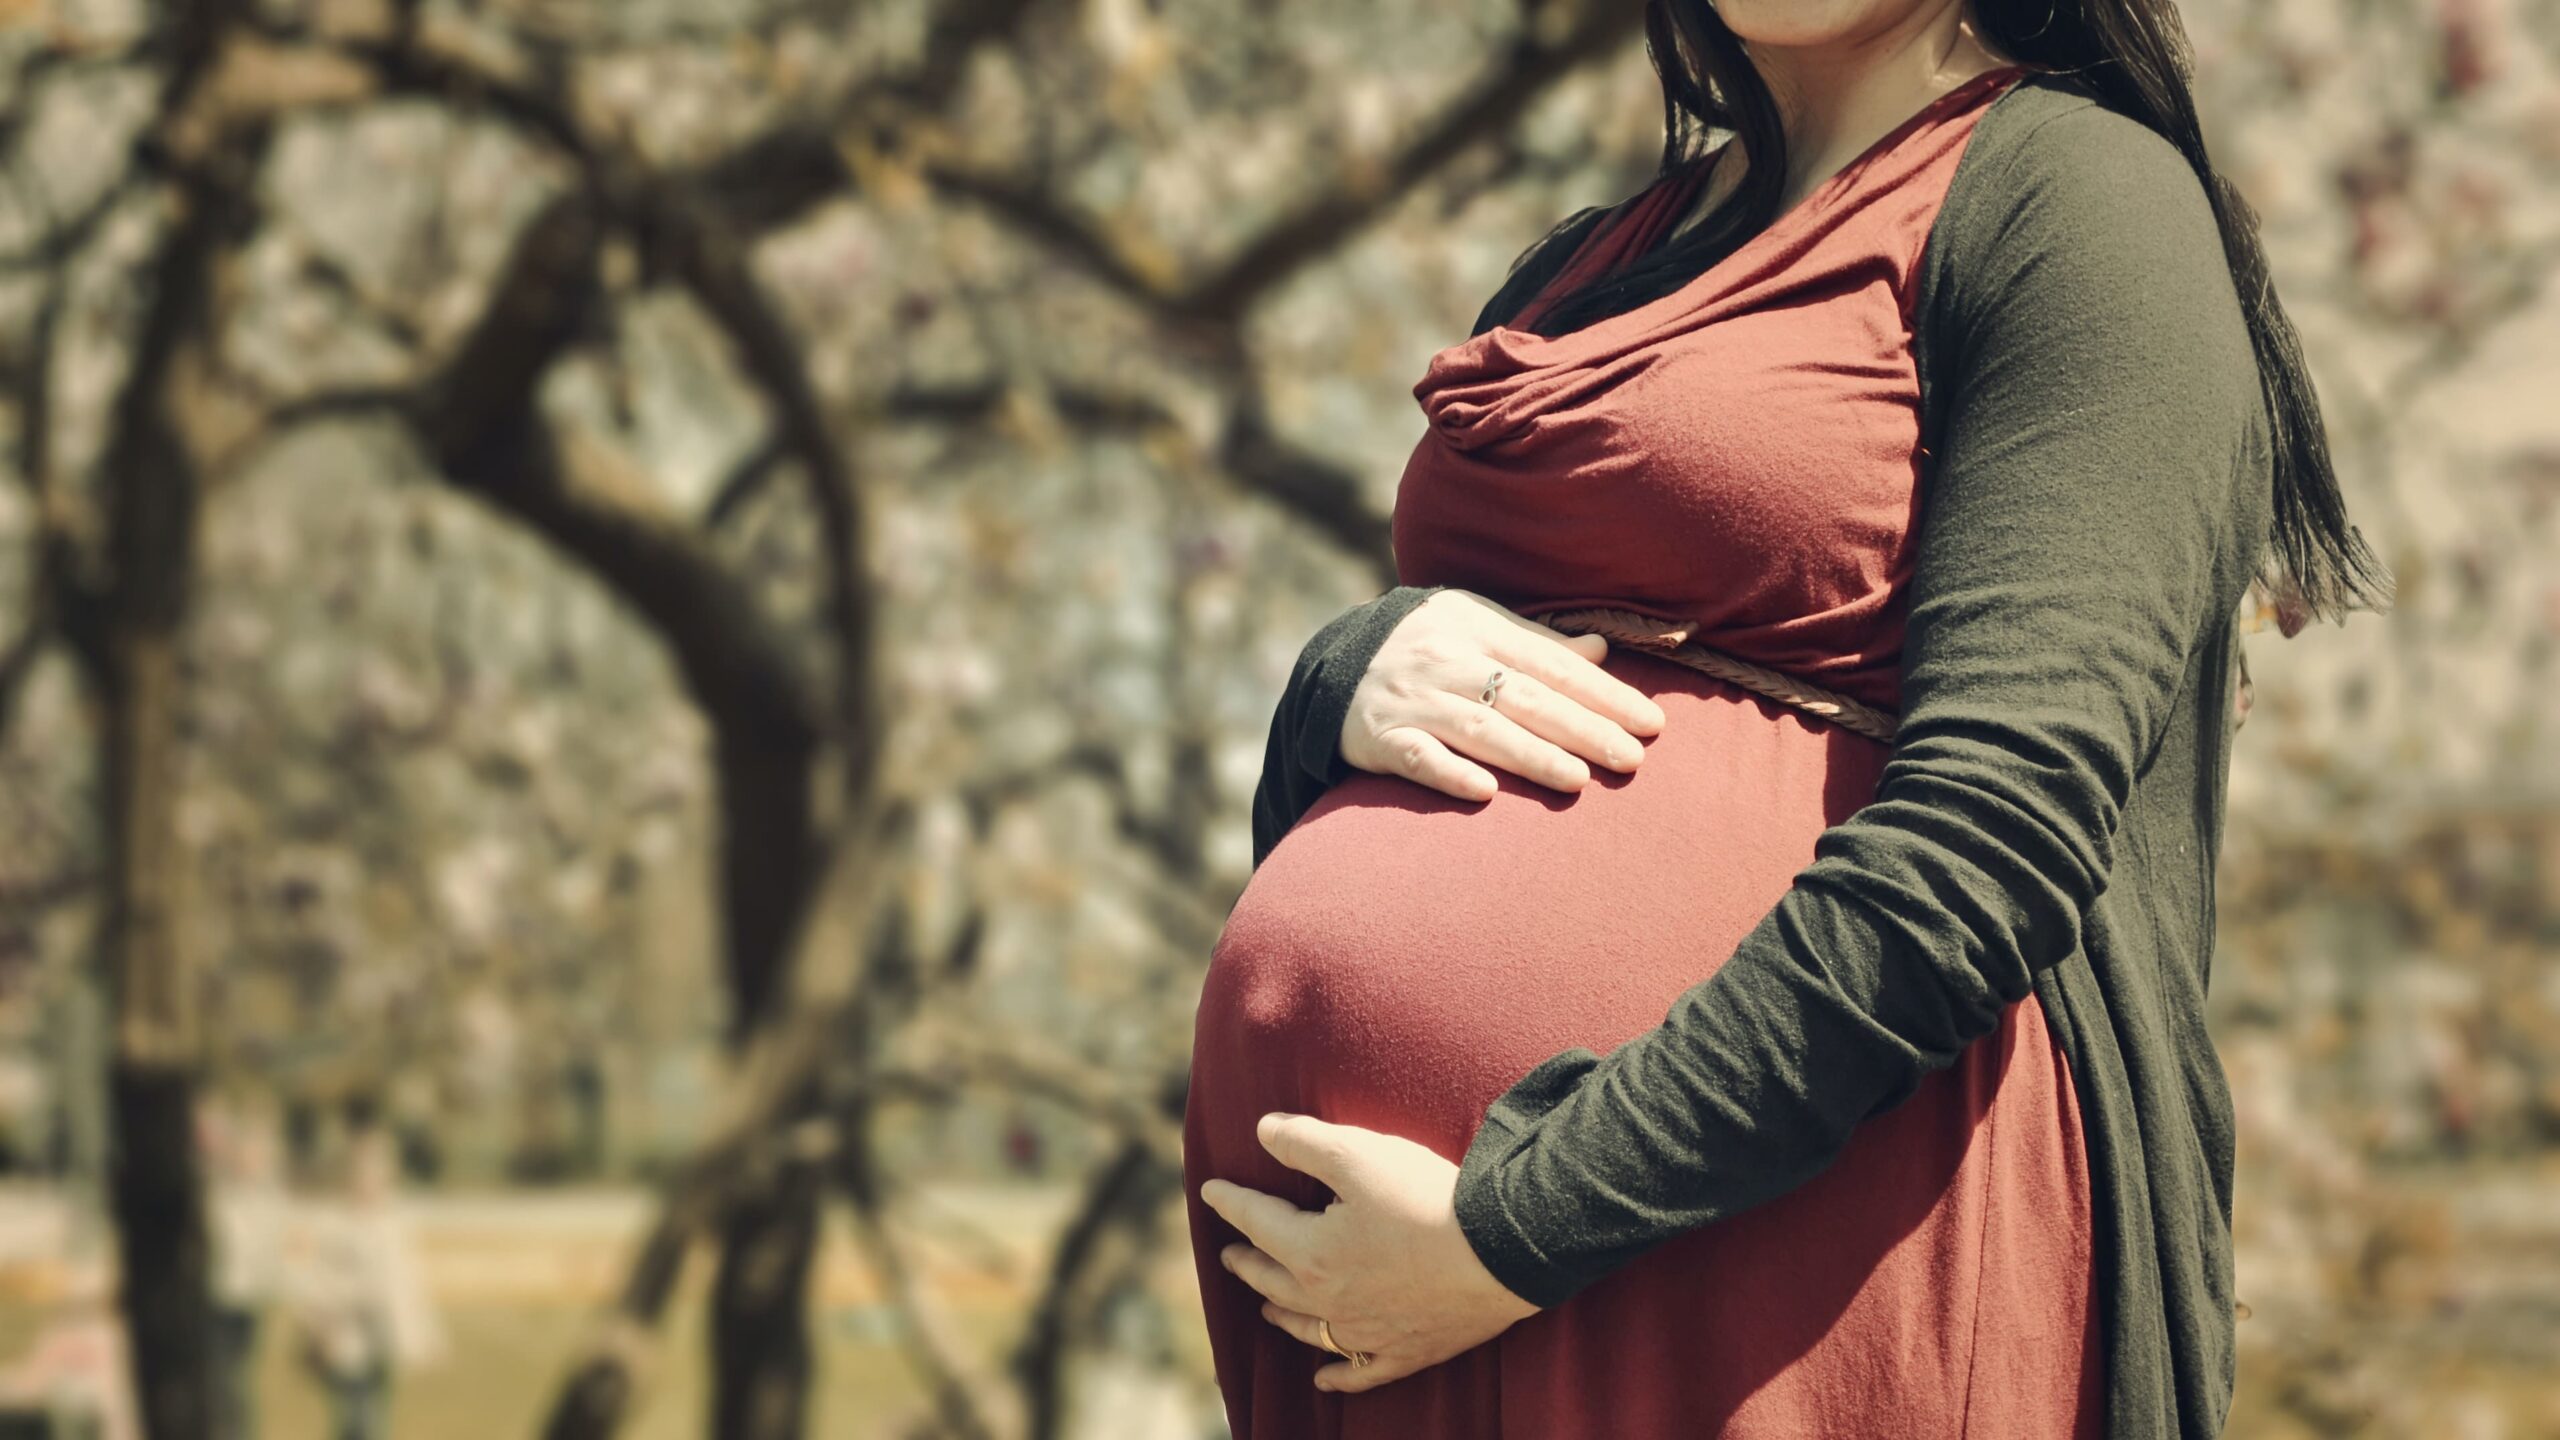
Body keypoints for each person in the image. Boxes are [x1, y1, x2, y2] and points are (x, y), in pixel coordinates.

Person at [1182, 1, 2392, 1437]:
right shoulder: (1591, 264)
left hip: (1765, 1255)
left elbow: (1993, 843)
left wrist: (1520, 1229)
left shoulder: (2082, 204)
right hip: (1410, 1297)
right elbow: (1467, 695)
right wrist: (1345, 676)